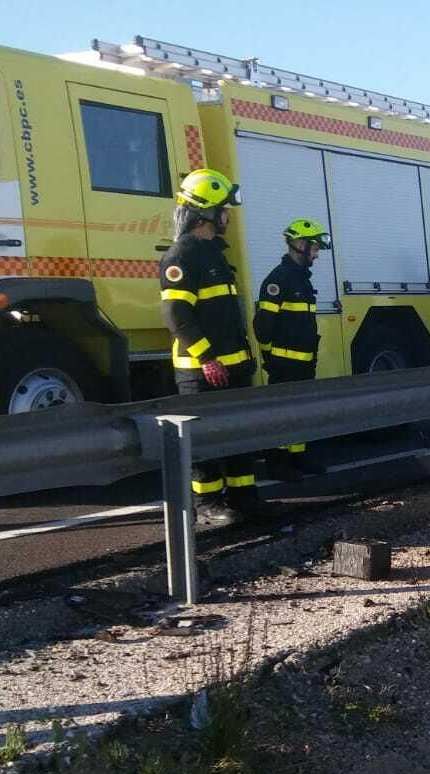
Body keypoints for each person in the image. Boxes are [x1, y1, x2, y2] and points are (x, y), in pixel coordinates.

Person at [160, 168, 269, 524]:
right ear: (206, 212)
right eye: (225, 209)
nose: (228, 217)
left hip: (234, 366)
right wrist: (207, 358)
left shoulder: (214, 255)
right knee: (204, 438)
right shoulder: (181, 256)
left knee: (240, 434)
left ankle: (243, 498)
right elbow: (178, 315)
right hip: (201, 369)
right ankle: (206, 505)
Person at [255, 218, 333, 483]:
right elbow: (262, 326)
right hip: (283, 365)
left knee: (300, 413)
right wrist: (270, 357)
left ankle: (297, 457)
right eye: (314, 248)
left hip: (303, 363)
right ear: (300, 244)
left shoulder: (302, 280)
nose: (317, 253)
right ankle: (277, 463)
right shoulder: (279, 279)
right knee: (281, 415)